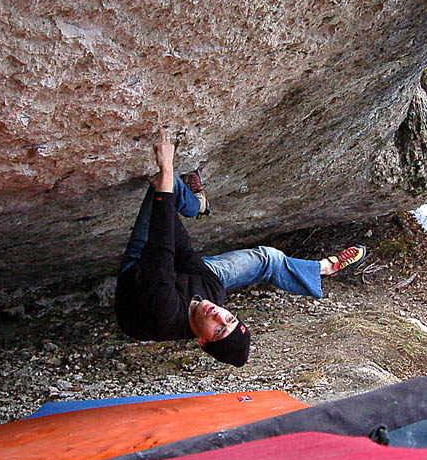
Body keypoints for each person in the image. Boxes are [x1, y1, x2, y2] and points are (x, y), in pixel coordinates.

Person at [115, 127, 367, 367]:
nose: (219, 316)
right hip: (179, 280)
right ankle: (320, 269)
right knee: (266, 258)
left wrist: (167, 171)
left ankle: (196, 205)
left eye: (219, 329)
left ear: (202, 341)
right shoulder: (214, 296)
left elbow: (161, 249)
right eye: (230, 318)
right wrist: (166, 192)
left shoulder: (166, 313)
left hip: (138, 270)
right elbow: (183, 249)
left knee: (164, 188)